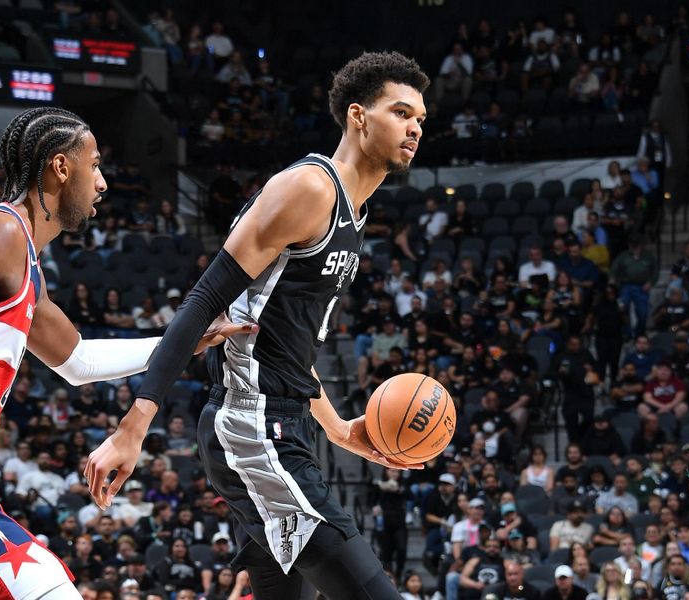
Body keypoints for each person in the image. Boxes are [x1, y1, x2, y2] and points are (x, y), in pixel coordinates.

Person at [86, 52, 431, 600]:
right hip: (251, 425)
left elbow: (288, 348)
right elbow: (202, 301)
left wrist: (339, 429)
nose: (415, 127)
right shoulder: (310, 190)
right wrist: (134, 426)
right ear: (359, 116)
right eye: (401, 112)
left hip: (284, 421)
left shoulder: (354, 212)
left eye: (420, 119)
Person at [0, 108, 248, 599]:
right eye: (96, 165)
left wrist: (184, 340)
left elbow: (79, 363)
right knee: (48, 587)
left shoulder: (24, 268)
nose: (104, 183)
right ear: (61, 168)